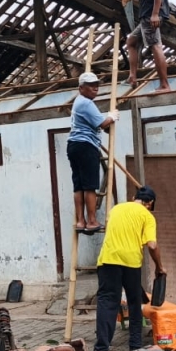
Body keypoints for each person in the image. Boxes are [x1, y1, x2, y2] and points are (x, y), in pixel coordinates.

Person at [91, 186, 165, 351]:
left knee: (108, 302)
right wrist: (159, 267)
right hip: (131, 263)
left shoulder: (115, 209)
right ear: (150, 203)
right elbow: (152, 245)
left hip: (109, 260)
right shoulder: (147, 216)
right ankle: (136, 347)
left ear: (134, 197)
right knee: (134, 302)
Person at [68, 72, 120, 235]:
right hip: (86, 146)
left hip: (74, 145)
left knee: (79, 186)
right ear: (81, 88)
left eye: (96, 85)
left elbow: (96, 125)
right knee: (89, 186)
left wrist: (105, 123)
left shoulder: (78, 101)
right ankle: (91, 221)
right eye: (91, 85)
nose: (95, 88)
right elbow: (103, 123)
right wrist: (112, 117)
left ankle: (80, 221)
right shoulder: (86, 103)